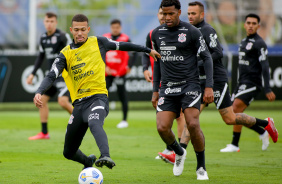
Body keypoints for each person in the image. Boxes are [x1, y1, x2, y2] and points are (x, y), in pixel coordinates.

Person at [33, 14, 160, 170]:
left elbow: (124, 45)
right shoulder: (65, 53)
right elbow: (52, 74)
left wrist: (148, 50)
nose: (80, 33)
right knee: (68, 152)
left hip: (98, 98)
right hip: (79, 104)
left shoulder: (99, 42)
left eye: (83, 30)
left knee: (94, 122)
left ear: (88, 29)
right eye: (77, 30)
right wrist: (39, 91)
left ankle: (105, 155)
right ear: (72, 30)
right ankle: (87, 162)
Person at [159, 2, 278, 165]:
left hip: (215, 80)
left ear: (202, 15)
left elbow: (217, 53)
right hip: (197, 81)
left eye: (194, 13)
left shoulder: (207, 30)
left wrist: (196, 62)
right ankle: (179, 153)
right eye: (189, 13)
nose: (191, 16)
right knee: (191, 119)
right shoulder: (187, 31)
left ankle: (265, 124)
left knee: (229, 118)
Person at [151, 0, 214, 180]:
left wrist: (208, 86)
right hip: (168, 88)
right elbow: (157, 62)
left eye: (171, 14)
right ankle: (179, 152)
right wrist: (156, 90)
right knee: (162, 128)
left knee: (193, 124)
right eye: (164, 14)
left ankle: (201, 167)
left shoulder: (192, 32)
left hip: (190, 85)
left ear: (179, 12)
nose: (167, 17)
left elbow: (207, 58)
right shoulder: (156, 34)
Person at [220, 13, 276, 152]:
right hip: (241, 83)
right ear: (245, 25)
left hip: (252, 83)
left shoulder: (260, 43)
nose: (251, 25)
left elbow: (265, 66)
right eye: (248, 23)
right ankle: (258, 133)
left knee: (234, 110)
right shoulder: (243, 41)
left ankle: (265, 126)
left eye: (253, 23)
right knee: (235, 114)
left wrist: (267, 88)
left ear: (258, 26)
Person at [142, 5, 185, 162]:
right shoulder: (153, 34)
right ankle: (171, 149)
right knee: (163, 118)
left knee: (179, 116)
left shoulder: (181, 32)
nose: (163, 16)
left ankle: (179, 151)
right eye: (161, 13)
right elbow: (145, 53)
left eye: (166, 13)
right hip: (160, 82)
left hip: (176, 81)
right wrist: (145, 69)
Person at [26, 12, 73, 140]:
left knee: (62, 101)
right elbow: (40, 57)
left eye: (52, 21)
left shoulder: (62, 36)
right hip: (52, 77)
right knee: (41, 101)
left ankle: (83, 122)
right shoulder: (43, 38)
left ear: (56, 22)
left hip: (64, 75)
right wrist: (32, 74)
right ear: (44, 22)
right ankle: (44, 133)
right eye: (47, 21)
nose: (49, 23)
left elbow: (73, 52)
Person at [103, 19, 137, 128]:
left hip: (120, 72)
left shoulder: (126, 38)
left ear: (120, 28)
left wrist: (130, 66)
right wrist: (104, 66)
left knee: (122, 96)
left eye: (117, 27)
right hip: (107, 72)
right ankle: (100, 118)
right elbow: (99, 53)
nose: (115, 29)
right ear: (110, 28)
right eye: (113, 27)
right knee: (102, 95)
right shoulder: (105, 37)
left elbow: (134, 52)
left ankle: (124, 120)